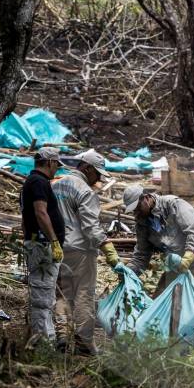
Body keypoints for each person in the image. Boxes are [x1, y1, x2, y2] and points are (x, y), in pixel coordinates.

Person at [122, 185, 194, 370]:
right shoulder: (142, 221)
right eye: (132, 210)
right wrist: (129, 272)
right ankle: (164, 349)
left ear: (147, 198)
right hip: (174, 265)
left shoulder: (174, 206)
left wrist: (188, 257)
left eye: (137, 208)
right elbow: (142, 254)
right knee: (159, 303)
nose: (135, 213)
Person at [52, 149, 120, 355]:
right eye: (97, 173)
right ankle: (83, 343)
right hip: (81, 250)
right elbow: (91, 226)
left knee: (62, 293)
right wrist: (107, 247)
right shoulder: (85, 191)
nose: (99, 178)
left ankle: (62, 336)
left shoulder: (56, 186)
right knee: (84, 294)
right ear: (87, 168)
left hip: (58, 247)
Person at [20, 147, 66, 343]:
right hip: (42, 245)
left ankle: (48, 338)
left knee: (46, 294)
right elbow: (40, 212)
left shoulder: (33, 182)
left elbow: (25, 219)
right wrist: (53, 240)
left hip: (38, 242)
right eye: (56, 165)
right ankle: (40, 342)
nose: (57, 169)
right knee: (41, 295)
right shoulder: (38, 182)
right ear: (50, 163)